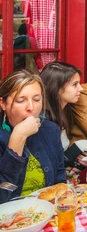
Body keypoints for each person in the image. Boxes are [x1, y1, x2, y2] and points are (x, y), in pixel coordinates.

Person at [0, 70, 66, 203]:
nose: (31, 107)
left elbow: (60, 180)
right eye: (20, 100)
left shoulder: (50, 130)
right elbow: (2, 194)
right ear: (3, 104)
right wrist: (17, 139)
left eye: (37, 99)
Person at [40, 62, 87, 168]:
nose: (81, 88)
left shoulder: (64, 111)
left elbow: (63, 157)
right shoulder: (43, 120)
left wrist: (77, 159)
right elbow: (50, 164)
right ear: (57, 88)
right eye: (75, 84)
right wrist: (78, 146)